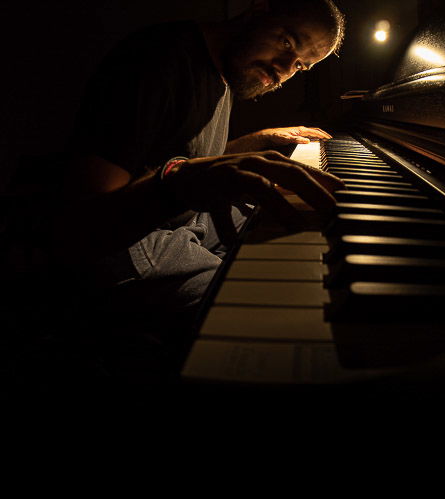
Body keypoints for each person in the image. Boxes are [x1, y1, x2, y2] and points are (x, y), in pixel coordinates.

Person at [42, 0, 347, 383]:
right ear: (258, 10)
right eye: (287, 42)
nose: (285, 69)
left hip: (178, 218)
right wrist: (179, 181)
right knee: (267, 307)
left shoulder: (227, 69)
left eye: (301, 65)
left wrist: (256, 142)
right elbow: (80, 229)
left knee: (280, 215)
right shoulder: (158, 60)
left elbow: (188, 156)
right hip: (126, 244)